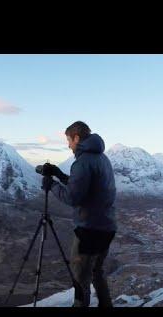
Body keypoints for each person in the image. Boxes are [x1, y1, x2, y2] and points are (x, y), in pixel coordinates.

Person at [42, 121, 117, 307]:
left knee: (80, 277)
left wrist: (51, 185)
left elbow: (73, 197)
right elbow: (85, 188)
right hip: (107, 226)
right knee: (96, 271)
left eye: (69, 140)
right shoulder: (102, 158)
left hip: (89, 230)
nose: (68, 145)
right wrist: (60, 175)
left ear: (76, 137)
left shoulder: (83, 162)